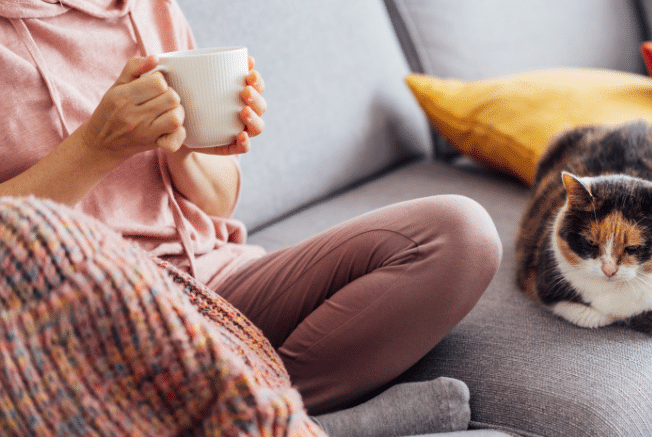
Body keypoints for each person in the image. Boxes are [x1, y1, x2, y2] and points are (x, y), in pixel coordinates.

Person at [0, 0, 502, 435]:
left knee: (461, 235)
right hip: (87, 320)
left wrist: (186, 143)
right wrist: (96, 147)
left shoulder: (149, 9)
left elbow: (218, 203)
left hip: (221, 284)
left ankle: (253, 421)